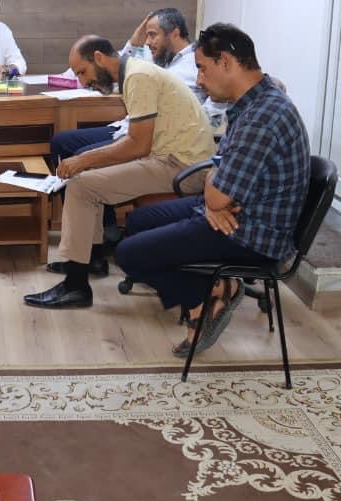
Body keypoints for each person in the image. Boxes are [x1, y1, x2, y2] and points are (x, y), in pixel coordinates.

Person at [114, 23, 310, 356]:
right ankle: (217, 287)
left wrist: (214, 198)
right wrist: (213, 200)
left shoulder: (262, 117)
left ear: (227, 63)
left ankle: (205, 300)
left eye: (203, 68)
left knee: (128, 254)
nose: (200, 80)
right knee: (137, 222)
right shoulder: (254, 102)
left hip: (251, 235)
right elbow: (217, 174)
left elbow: (218, 191)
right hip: (236, 213)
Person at [24, 35, 217, 310]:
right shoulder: (135, 72)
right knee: (84, 177)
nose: (83, 81)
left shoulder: (138, 77)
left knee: (81, 185)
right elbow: (138, 142)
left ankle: (76, 285)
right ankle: (89, 259)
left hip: (183, 166)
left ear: (99, 58)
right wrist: (86, 161)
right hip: (173, 158)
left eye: (83, 72)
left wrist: (84, 160)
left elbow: (138, 145)